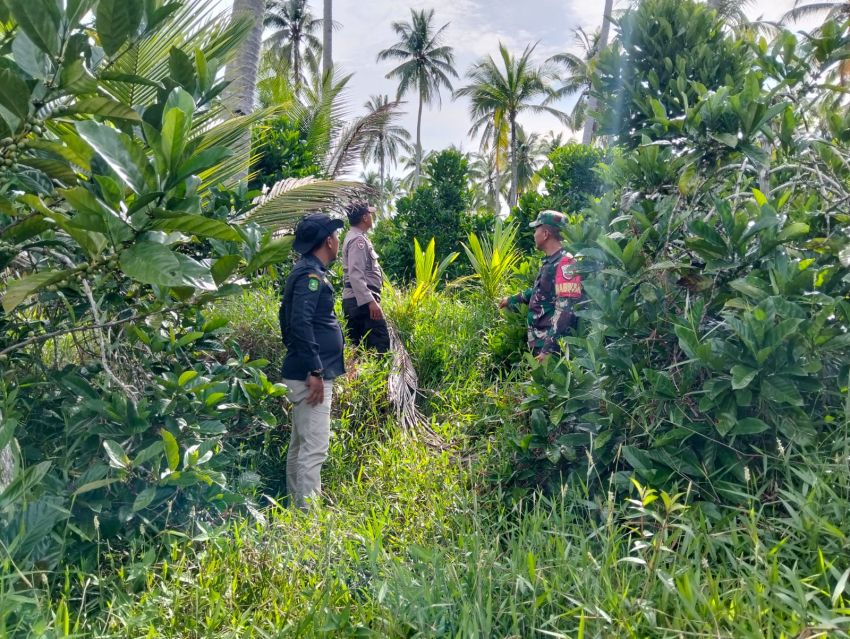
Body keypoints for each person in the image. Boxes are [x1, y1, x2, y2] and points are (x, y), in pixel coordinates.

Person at [279, 212, 346, 509]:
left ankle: (295, 508)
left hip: (305, 369)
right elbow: (300, 323)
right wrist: (315, 369)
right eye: (336, 235)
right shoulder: (310, 276)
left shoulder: (306, 270)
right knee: (314, 448)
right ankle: (307, 518)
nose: (338, 240)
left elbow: (289, 321)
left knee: (300, 444)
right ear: (328, 241)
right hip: (311, 375)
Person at [499, 210, 583, 359]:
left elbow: (565, 310)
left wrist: (548, 349)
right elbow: (541, 292)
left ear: (545, 234)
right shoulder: (552, 261)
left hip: (552, 347)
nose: (534, 234)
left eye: (536, 229)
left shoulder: (566, 263)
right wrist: (512, 300)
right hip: (539, 342)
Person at [340, 201, 390, 353]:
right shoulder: (358, 240)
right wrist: (371, 302)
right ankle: (381, 377)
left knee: (359, 350)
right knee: (380, 345)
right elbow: (356, 275)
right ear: (364, 217)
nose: (371, 216)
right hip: (360, 303)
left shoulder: (356, 237)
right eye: (370, 214)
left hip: (357, 302)